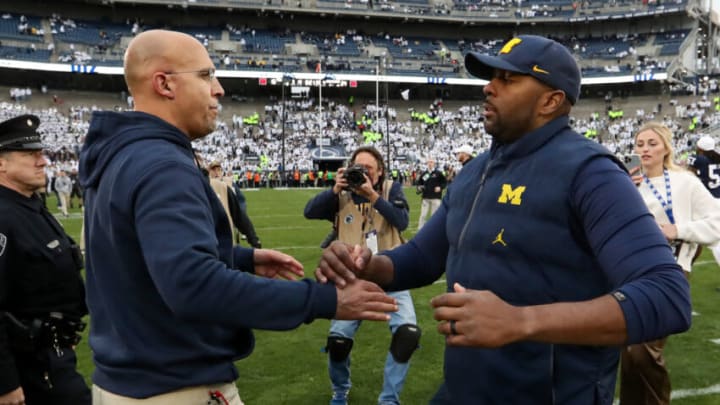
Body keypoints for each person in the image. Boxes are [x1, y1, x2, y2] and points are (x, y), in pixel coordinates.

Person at [314, 35, 691, 404]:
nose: (489, 89)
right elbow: (424, 258)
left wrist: (521, 322)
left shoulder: (590, 172)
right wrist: (367, 264)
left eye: (507, 79)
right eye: (490, 78)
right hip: (464, 387)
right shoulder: (476, 170)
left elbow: (667, 294)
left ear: (551, 100)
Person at [78, 30, 397, 404]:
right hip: (174, 385)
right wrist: (324, 300)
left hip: (125, 380)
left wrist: (239, 258)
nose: (219, 89)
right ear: (164, 83)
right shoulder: (162, 164)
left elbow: (137, 255)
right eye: (205, 75)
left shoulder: (123, 154)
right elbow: (193, 286)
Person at [304, 146, 420, 405]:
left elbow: (401, 221)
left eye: (369, 169)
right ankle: (340, 389)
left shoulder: (391, 190)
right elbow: (309, 212)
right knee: (338, 342)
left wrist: (373, 195)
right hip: (351, 277)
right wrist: (335, 189)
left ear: (379, 173)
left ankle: (389, 400)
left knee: (407, 334)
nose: (363, 173)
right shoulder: (342, 194)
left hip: (391, 273)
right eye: (359, 167)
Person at [620, 122, 720, 405]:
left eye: (652, 143)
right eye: (640, 144)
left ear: (666, 147)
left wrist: (678, 230)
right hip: (630, 274)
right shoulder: (627, 183)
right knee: (628, 354)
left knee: (643, 350)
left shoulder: (685, 181)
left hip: (671, 272)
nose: (645, 149)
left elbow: (717, 221)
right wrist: (624, 190)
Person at [0, 114, 90, 405]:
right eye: (30, 155)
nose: (43, 161)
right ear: (1, 163)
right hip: (28, 367)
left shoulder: (30, 206)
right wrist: (5, 382)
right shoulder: (3, 215)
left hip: (54, 355)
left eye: (41, 153)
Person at [207, 160, 261, 248]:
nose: (216, 172)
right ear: (209, 171)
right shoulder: (206, 185)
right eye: (213, 170)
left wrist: (252, 238)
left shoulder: (229, 184)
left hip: (230, 224)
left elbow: (240, 205)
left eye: (219, 169)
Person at [416, 158, 446, 229]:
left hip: (436, 197)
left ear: (434, 164)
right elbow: (419, 183)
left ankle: (434, 229)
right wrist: (419, 188)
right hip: (425, 197)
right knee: (423, 215)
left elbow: (444, 182)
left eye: (431, 162)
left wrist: (440, 187)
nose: (430, 164)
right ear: (427, 163)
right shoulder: (424, 174)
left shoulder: (438, 173)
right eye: (429, 162)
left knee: (434, 216)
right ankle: (420, 229)